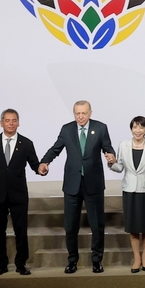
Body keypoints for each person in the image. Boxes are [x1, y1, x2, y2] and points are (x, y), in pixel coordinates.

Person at [39, 100, 116, 274]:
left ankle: (97, 260)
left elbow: (108, 148)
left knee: (97, 225)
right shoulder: (67, 129)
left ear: (90, 113)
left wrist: (111, 157)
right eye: (77, 113)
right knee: (70, 226)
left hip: (93, 184)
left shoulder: (101, 128)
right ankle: (72, 260)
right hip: (72, 184)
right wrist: (44, 162)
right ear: (74, 113)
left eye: (83, 113)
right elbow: (55, 149)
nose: (80, 117)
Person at [0, 108, 43, 276]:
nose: (11, 123)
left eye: (14, 120)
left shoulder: (26, 143)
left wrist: (42, 169)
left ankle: (21, 264)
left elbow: (35, 164)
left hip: (18, 195)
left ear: (18, 122)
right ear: (1, 123)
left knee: (21, 230)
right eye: (7, 120)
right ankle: (1, 264)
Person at [108, 116, 145, 274]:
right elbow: (120, 168)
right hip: (129, 189)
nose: (138, 130)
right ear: (131, 129)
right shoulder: (123, 145)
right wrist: (111, 162)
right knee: (132, 227)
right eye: (135, 127)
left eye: (141, 127)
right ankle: (136, 258)